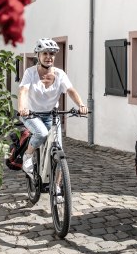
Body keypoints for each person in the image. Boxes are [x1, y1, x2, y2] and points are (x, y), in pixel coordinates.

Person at [18, 38, 88, 176]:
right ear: (38, 55)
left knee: (59, 150)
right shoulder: (30, 73)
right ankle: (27, 155)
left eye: (52, 54)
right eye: (45, 53)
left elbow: (70, 90)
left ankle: (57, 188)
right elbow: (23, 90)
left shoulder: (60, 74)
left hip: (52, 115)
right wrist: (22, 108)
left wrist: (81, 105)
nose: (49, 57)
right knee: (41, 133)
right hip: (31, 115)